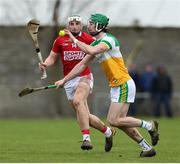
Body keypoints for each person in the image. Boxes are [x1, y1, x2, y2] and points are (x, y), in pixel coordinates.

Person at [55, 13, 159, 157]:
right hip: (116, 86)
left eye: (92, 24)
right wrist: (64, 80)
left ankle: (149, 125)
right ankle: (147, 148)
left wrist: (72, 38)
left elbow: (91, 51)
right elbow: (82, 64)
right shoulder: (95, 43)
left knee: (113, 120)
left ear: (99, 26)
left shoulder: (109, 40)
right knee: (120, 122)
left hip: (124, 83)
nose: (88, 26)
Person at [39, 15, 115, 151]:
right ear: (68, 25)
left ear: (81, 25)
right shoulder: (60, 40)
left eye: (77, 23)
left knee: (78, 101)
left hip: (84, 76)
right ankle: (108, 132)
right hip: (68, 80)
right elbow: (52, 58)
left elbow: (101, 50)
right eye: (71, 23)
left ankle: (86, 139)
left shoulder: (88, 38)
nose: (74, 26)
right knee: (85, 116)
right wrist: (45, 64)